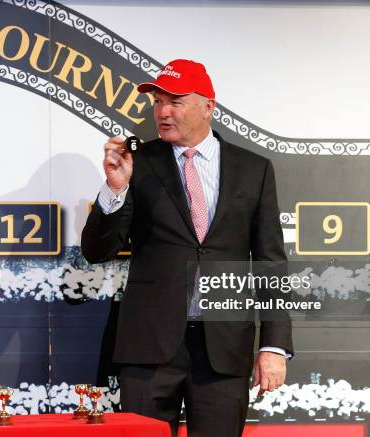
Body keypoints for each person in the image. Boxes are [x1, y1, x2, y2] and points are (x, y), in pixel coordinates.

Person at [81, 59, 293, 437]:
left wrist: (274, 345)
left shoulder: (254, 169)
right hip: (149, 346)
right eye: (158, 101)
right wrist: (115, 188)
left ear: (209, 106)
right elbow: (97, 251)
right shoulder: (136, 164)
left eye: (175, 101)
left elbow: (270, 262)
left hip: (224, 347)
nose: (163, 111)